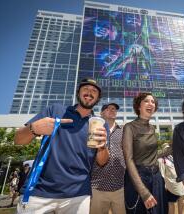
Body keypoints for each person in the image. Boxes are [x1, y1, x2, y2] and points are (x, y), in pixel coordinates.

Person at [14, 78, 109, 214]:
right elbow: (18, 139)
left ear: (98, 98)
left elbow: (102, 162)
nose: (89, 92)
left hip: (79, 195)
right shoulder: (56, 110)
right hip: (39, 192)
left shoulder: (101, 124)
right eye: (85, 89)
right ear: (78, 93)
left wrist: (102, 146)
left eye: (94, 91)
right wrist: (33, 128)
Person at [123, 92, 169, 214]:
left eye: (153, 102)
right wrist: (143, 192)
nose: (151, 104)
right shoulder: (129, 127)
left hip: (156, 178)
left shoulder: (153, 128)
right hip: (138, 178)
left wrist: (172, 148)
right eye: (147, 101)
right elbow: (128, 159)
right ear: (138, 106)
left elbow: (153, 154)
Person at [90, 103, 126, 214]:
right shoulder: (93, 130)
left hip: (120, 186)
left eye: (114, 109)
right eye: (108, 109)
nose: (112, 110)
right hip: (97, 187)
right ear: (101, 113)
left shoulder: (124, 131)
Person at [158, 143, 184, 214]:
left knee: (181, 200)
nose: (167, 150)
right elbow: (162, 174)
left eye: (168, 149)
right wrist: (164, 186)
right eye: (165, 149)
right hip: (171, 185)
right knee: (171, 203)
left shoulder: (174, 157)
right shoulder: (161, 160)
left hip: (180, 183)